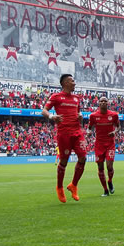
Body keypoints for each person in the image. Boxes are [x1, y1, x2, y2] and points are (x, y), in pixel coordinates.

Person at [43, 74, 87, 203]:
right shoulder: (56, 97)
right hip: (64, 133)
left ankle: (73, 185)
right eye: (72, 80)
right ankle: (60, 187)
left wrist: (80, 117)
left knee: (83, 158)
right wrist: (52, 117)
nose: (74, 83)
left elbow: (78, 113)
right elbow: (44, 110)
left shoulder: (76, 98)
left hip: (77, 132)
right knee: (64, 161)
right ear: (65, 83)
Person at [88, 97, 119, 196]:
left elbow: (118, 126)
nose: (103, 102)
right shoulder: (93, 116)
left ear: (108, 103)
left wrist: (114, 132)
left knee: (109, 166)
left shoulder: (113, 115)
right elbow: (90, 128)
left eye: (105, 101)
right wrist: (89, 132)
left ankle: (109, 181)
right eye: (101, 101)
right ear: (99, 103)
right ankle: (105, 190)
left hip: (110, 144)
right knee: (100, 167)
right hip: (99, 145)